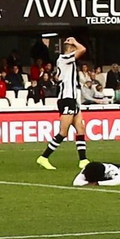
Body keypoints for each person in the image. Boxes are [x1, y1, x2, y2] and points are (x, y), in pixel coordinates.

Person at [36, 37, 89, 170]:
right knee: (63, 132)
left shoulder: (67, 61)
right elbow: (83, 49)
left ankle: (83, 160)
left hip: (73, 99)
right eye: (73, 48)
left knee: (80, 129)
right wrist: (75, 41)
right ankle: (44, 157)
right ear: (70, 49)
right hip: (66, 99)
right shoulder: (64, 58)